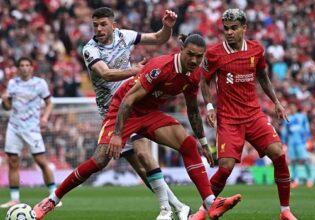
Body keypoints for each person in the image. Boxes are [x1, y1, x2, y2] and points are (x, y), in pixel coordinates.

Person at [34, 33, 241, 220]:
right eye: (191, 55)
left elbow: (193, 110)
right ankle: (51, 200)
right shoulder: (159, 67)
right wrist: (117, 135)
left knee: (188, 145)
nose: (195, 60)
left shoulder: (194, 74)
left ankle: (210, 203)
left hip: (150, 113)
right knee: (100, 160)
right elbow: (127, 100)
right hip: (125, 109)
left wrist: (204, 142)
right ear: (182, 50)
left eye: (199, 56)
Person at [33, 7, 190, 220]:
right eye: (95, 25)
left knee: (144, 154)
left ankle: (52, 200)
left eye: (103, 24)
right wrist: (136, 70)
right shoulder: (90, 49)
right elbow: (106, 74)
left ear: (113, 25)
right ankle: (179, 207)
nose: (98, 28)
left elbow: (158, 38)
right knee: (108, 162)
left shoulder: (124, 36)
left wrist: (166, 27)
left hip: (132, 104)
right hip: (111, 111)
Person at [190, 9, 297, 220]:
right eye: (226, 29)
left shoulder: (256, 50)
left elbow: (263, 77)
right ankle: (203, 211)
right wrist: (210, 107)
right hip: (229, 119)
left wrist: (276, 102)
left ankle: (285, 211)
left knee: (279, 154)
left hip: (254, 116)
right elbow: (204, 81)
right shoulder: (214, 53)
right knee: (226, 167)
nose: (229, 32)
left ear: (243, 28)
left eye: (234, 28)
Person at [0, 57, 61, 208]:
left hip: (32, 128)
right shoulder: (13, 83)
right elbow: (7, 107)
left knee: (41, 161)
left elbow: (49, 102)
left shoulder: (40, 83)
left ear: (32, 68)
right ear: (18, 68)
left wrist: (45, 118)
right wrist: (5, 100)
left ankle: (54, 196)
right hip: (14, 127)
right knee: (13, 162)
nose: (25, 68)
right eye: (22, 65)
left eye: (27, 65)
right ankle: (15, 199)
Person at [281, 102, 313, 188]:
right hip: (291, 143)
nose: (292, 109)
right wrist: (284, 142)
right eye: (290, 107)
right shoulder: (287, 118)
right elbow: (285, 132)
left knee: (305, 160)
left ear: (296, 108)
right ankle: (296, 180)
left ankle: (309, 179)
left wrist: (307, 139)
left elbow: (306, 128)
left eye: (293, 107)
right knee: (294, 162)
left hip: (301, 143)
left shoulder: (302, 117)